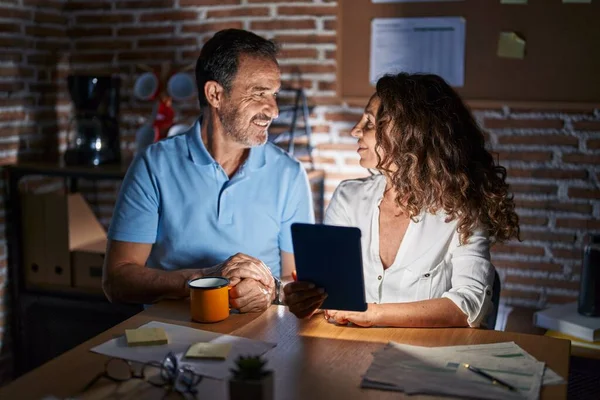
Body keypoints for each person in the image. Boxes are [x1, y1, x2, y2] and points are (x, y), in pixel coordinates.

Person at [284, 72, 519, 328]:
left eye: (370, 123)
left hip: (427, 359)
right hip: (352, 352)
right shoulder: (347, 198)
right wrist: (307, 299)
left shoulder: (462, 209)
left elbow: (470, 305)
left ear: (411, 133)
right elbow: (329, 297)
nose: (355, 131)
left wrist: (373, 313)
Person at [102, 29, 314, 312]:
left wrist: (272, 290)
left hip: (260, 337)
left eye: (274, 94)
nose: (273, 110)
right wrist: (203, 279)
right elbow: (116, 281)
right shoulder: (153, 165)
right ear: (215, 94)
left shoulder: (290, 174)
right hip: (170, 340)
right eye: (258, 93)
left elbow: (299, 283)